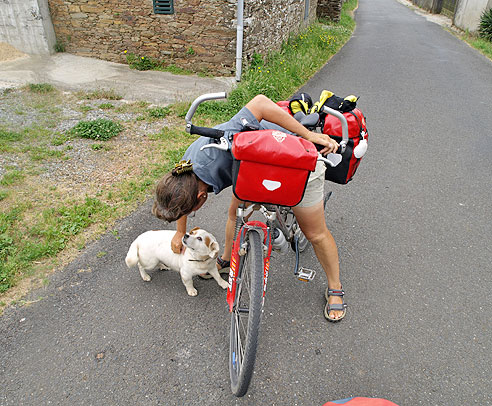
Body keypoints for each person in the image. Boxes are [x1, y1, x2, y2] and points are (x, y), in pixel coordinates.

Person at [152, 94, 347, 321]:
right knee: (235, 214)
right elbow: (181, 202)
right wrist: (179, 231)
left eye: (193, 209)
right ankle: (225, 259)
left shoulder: (213, 154)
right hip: (253, 168)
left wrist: (309, 135)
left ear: (201, 196)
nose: (192, 211)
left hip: (294, 159)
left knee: (315, 233)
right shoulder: (184, 174)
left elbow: (261, 102)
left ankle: (335, 287)